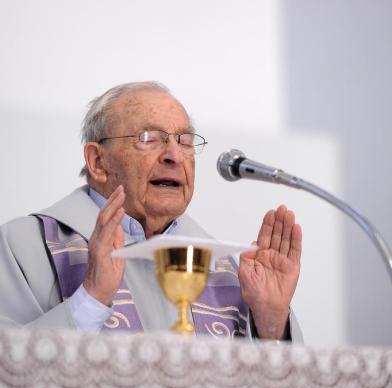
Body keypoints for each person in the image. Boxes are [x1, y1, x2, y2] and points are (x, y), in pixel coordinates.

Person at [0, 82, 302, 340]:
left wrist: (271, 321)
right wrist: (90, 299)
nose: (174, 155)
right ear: (98, 162)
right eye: (150, 138)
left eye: (184, 141)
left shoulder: (221, 268)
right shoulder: (25, 246)